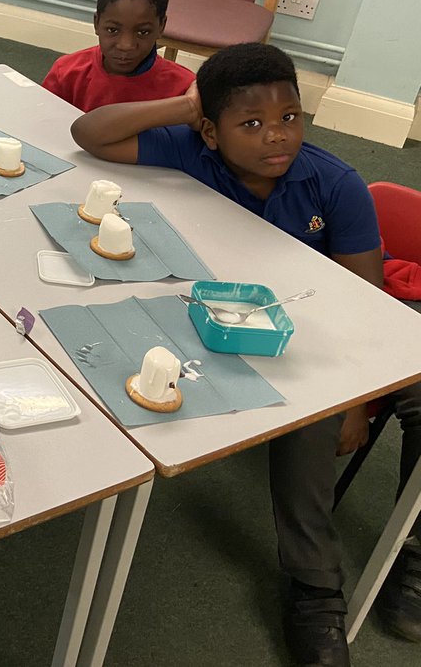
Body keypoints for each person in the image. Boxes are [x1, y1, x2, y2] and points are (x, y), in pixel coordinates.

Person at [70, 42, 421, 665]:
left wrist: (358, 403)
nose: (276, 136)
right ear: (210, 131)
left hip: (339, 320)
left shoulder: (335, 183)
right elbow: (90, 133)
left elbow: (367, 309)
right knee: (310, 415)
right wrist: (184, 107)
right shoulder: (191, 148)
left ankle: (413, 547)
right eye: (251, 123)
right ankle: (317, 590)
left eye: (289, 117)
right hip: (243, 318)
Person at [42, 0, 194, 111]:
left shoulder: (185, 91)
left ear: (161, 26)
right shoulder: (66, 74)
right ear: (96, 23)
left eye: (143, 32)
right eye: (112, 30)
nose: (125, 45)